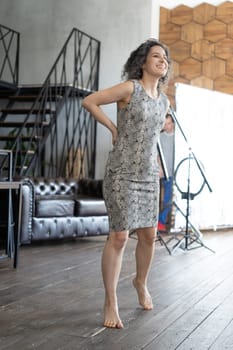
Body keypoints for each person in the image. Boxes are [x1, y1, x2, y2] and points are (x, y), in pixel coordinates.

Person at [82, 38, 171, 329]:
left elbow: (154, 132)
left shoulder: (164, 100)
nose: (162, 60)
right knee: (119, 237)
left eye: (165, 58)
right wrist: (111, 127)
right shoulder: (129, 88)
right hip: (121, 172)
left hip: (148, 175)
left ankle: (140, 282)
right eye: (156, 56)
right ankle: (110, 300)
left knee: (148, 236)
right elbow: (89, 101)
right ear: (143, 61)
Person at [158, 113, 175, 231]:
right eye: (165, 124)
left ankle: (161, 222)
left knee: (169, 198)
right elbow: (157, 155)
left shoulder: (178, 137)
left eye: (169, 123)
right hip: (164, 173)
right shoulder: (160, 137)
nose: (167, 126)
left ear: (173, 123)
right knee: (166, 198)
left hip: (176, 172)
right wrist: (159, 168)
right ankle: (160, 222)